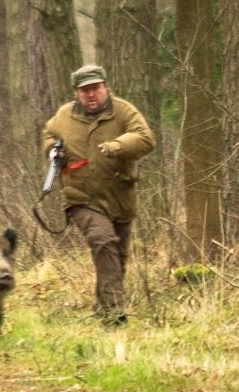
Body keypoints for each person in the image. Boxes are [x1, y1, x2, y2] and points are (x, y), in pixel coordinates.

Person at [41, 64, 157, 325]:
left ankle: (103, 309)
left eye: (95, 88)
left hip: (120, 197)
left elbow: (146, 139)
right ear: (77, 93)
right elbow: (48, 133)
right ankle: (115, 315)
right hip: (80, 196)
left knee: (117, 256)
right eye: (84, 91)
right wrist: (51, 149)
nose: (91, 95)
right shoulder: (64, 115)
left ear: (106, 87)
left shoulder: (124, 111)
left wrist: (117, 146)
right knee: (102, 240)